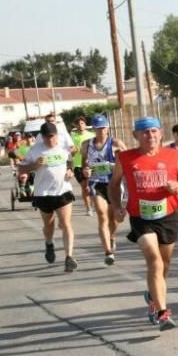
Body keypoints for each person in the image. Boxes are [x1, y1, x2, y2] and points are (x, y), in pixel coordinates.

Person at [109, 116, 178, 331]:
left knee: (164, 265)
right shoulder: (125, 158)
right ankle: (163, 312)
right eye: (145, 132)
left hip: (168, 215)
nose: (150, 136)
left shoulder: (172, 155)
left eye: (154, 131)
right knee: (154, 261)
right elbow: (113, 184)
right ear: (136, 135)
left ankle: (153, 296)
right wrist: (117, 206)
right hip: (141, 218)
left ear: (161, 133)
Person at [18, 121, 79, 272]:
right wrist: (34, 166)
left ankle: (69, 257)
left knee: (66, 224)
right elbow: (21, 169)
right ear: (42, 137)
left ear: (57, 135)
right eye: (47, 137)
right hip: (43, 194)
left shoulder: (63, 147)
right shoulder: (35, 150)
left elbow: (70, 161)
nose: (50, 140)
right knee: (49, 225)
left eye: (52, 136)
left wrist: (70, 170)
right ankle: (49, 243)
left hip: (62, 191)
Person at [82, 114, 126, 265]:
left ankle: (111, 236)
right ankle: (107, 251)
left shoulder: (116, 143)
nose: (101, 131)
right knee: (102, 215)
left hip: (114, 184)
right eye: (98, 128)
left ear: (108, 128)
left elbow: (128, 162)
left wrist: (115, 166)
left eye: (103, 128)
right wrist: (86, 171)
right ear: (93, 129)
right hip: (96, 184)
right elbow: (84, 165)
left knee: (113, 217)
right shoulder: (87, 145)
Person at [70, 115, 95, 216]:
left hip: (91, 164)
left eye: (82, 123)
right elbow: (70, 151)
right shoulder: (72, 136)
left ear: (85, 124)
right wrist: (75, 150)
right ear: (76, 125)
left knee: (91, 187)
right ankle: (88, 208)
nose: (80, 125)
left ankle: (94, 203)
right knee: (85, 187)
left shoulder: (92, 135)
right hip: (78, 165)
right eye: (78, 124)